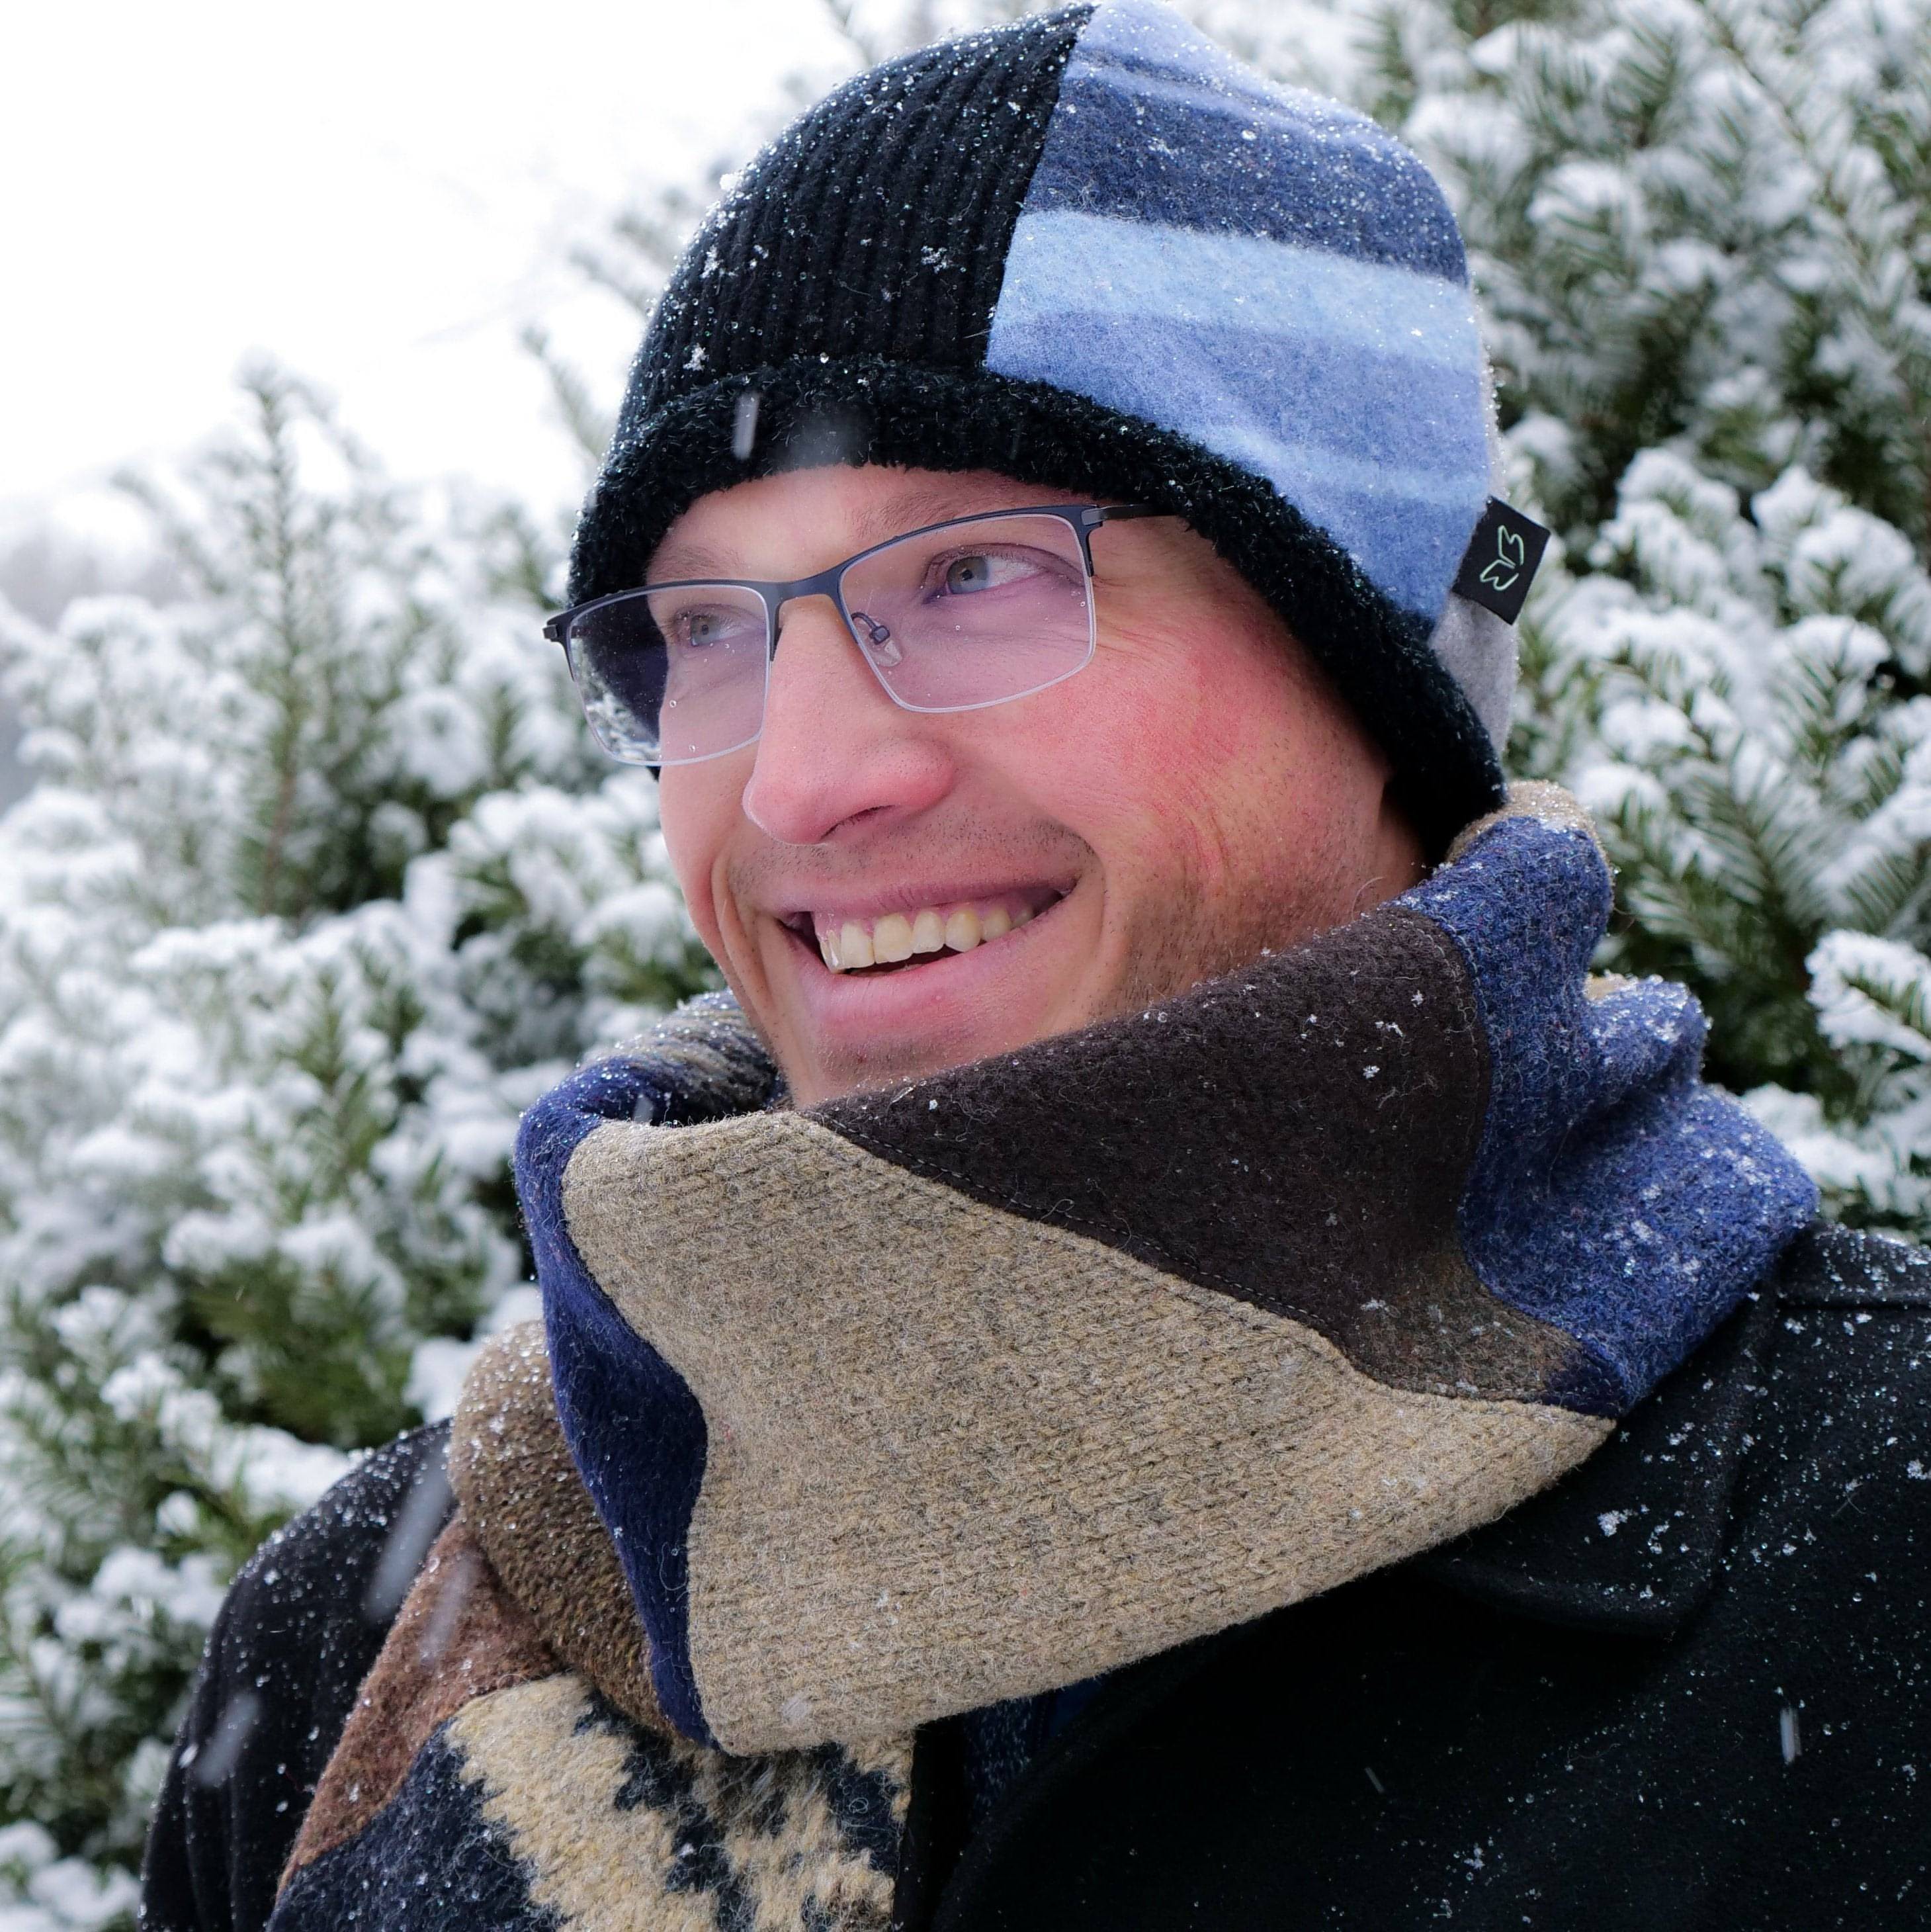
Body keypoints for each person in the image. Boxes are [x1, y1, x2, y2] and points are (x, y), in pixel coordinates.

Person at [140, 5, 1931, 1928]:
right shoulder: (370, 1632)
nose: (805, 784)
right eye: (708, 633)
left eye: (978, 574)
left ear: (1376, 665)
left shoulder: (1872, 1557)